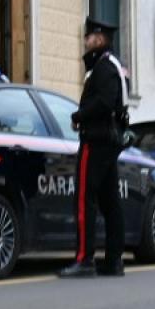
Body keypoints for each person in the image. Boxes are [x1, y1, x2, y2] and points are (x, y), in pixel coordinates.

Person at [60, 17, 128, 278]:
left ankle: (85, 259)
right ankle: (113, 260)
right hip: (108, 141)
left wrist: (79, 116)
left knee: (84, 200)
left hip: (97, 140)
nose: (85, 41)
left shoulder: (104, 68)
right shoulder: (110, 66)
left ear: (98, 39)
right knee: (110, 201)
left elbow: (104, 103)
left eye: (88, 37)